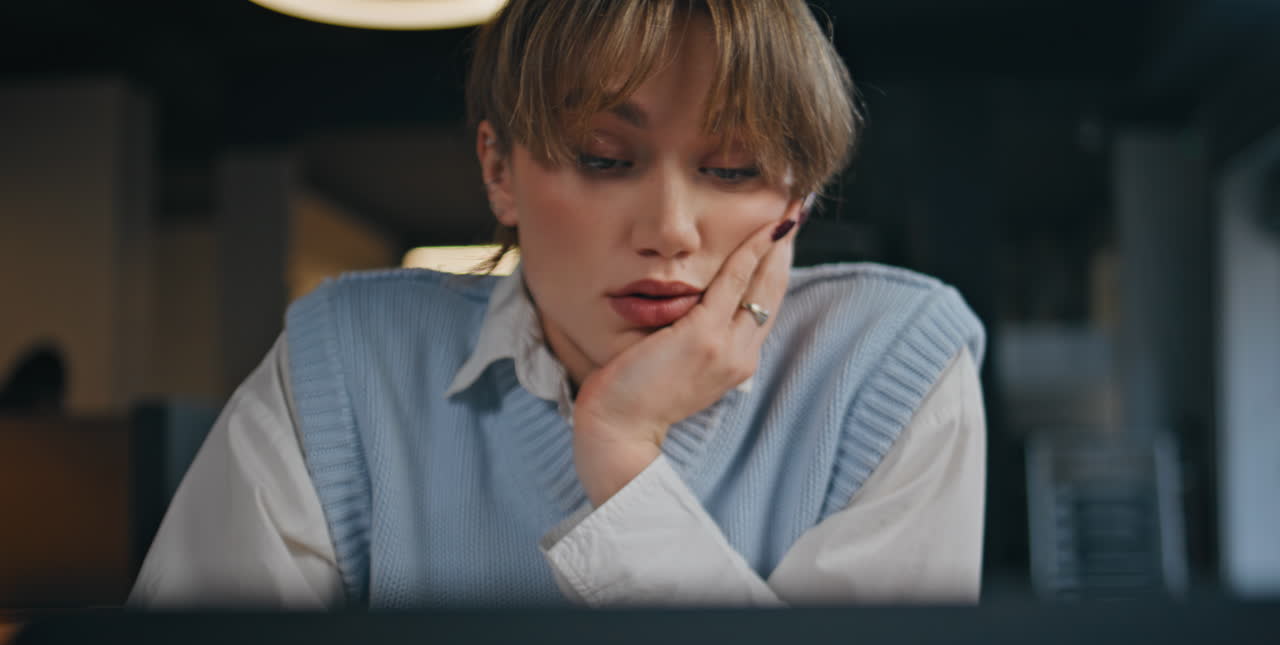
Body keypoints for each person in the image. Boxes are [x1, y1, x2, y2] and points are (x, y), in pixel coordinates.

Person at [130, 0, 986, 609]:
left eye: (732, 169)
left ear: (797, 196)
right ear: (499, 170)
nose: (670, 230)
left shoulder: (890, 364)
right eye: (607, 158)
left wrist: (622, 453)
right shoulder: (346, 362)